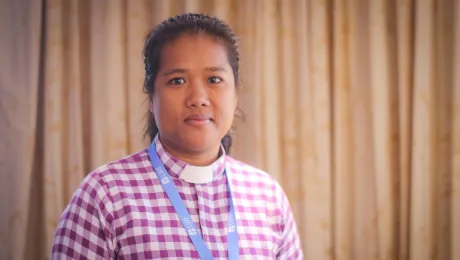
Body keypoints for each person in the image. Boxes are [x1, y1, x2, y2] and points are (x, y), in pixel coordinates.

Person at [52, 13, 304, 259]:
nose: (198, 99)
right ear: (151, 97)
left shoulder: (267, 195)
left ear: (235, 93)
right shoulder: (105, 194)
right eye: (177, 81)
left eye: (214, 79)